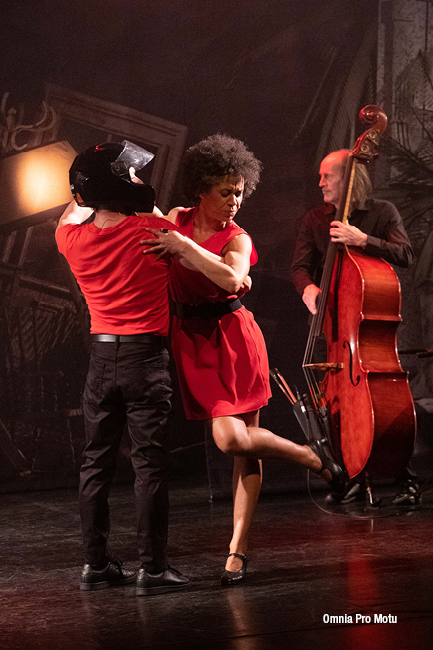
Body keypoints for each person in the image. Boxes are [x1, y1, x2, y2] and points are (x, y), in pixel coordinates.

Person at [140, 134, 345, 586]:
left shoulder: (238, 237)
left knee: (233, 440)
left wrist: (185, 249)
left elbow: (233, 279)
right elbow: (148, 226)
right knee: (245, 444)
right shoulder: (177, 219)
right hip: (192, 341)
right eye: (225, 192)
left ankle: (307, 458)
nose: (235, 202)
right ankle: (240, 548)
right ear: (201, 189)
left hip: (232, 339)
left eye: (239, 192)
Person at [55, 141, 190, 595]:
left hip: (100, 360)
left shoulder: (71, 240)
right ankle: (153, 569)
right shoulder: (155, 230)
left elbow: (69, 215)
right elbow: (168, 226)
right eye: (130, 174)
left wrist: (86, 190)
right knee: (148, 465)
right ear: (117, 184)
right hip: (145, 359)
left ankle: (95, 565)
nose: (138, 179)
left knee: (95, 464)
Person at [291, 148, 418, 505]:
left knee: (382, 406)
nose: (320, 182)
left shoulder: (382, 212)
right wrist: (309, 290)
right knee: (334, 407)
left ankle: (404, 477)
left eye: (327, 176)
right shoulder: (314, 219)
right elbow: (299, 268)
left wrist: (363, 240)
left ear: (348, 178)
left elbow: (406, 254)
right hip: (329, 327)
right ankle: (352, 475)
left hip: (365, 334)